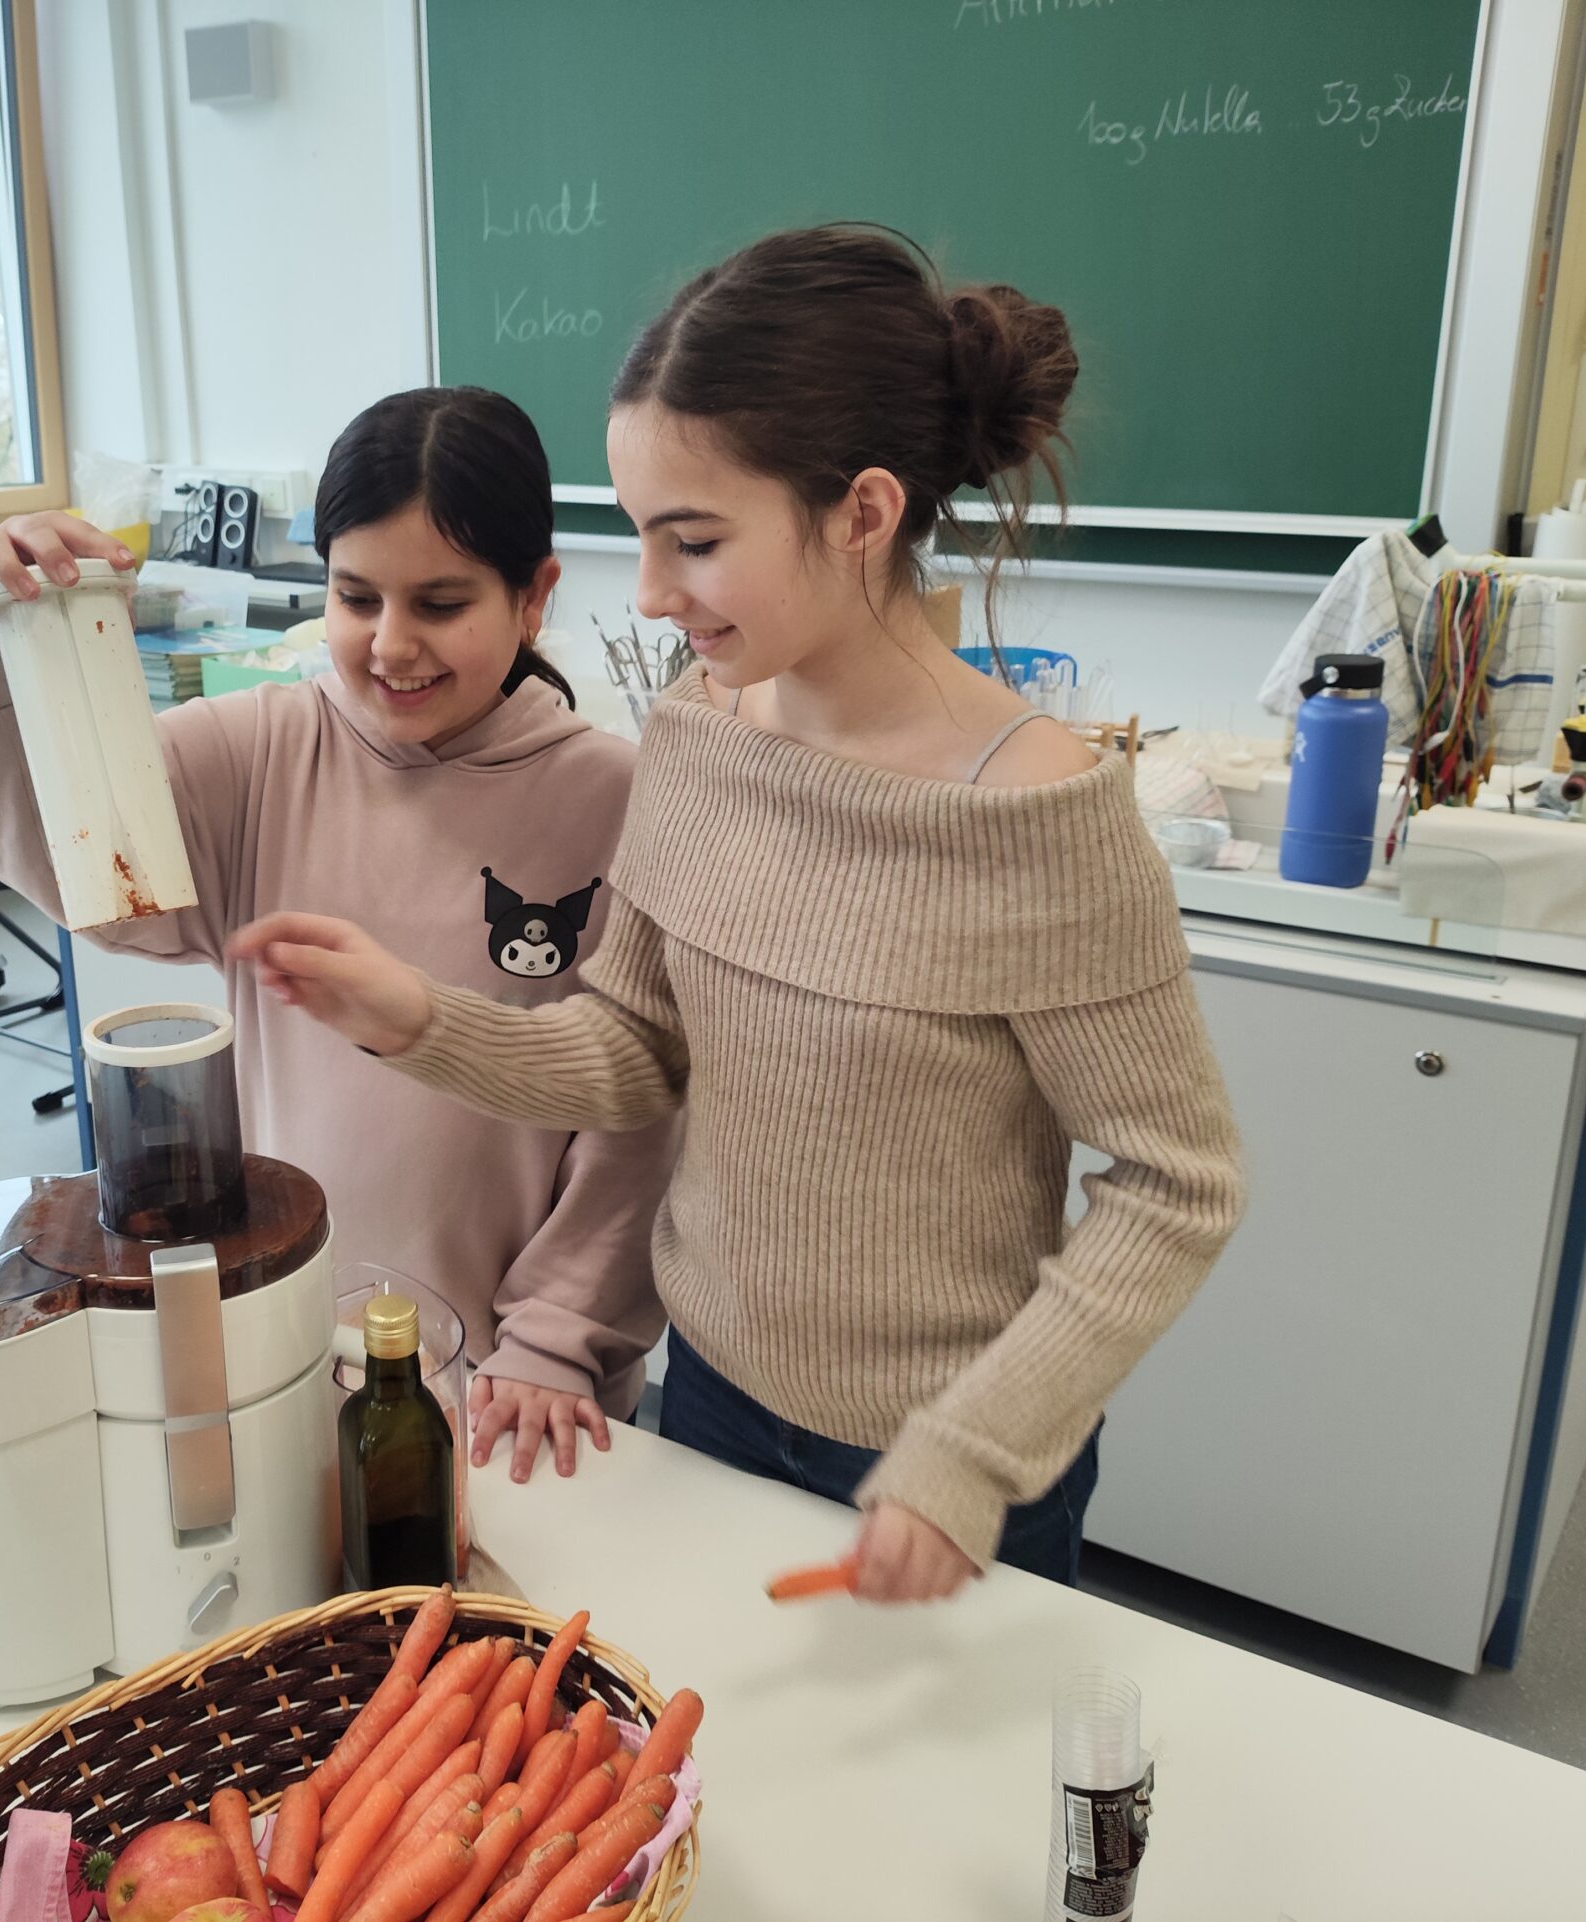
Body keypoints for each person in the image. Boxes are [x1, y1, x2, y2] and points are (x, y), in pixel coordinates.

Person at [232, 227, 1246, 1602]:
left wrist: (975, 1450)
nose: (649, 595)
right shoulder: (699, 736)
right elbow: (633, 1053)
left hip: (942, 1458)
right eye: (641, 537)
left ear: (863, 514)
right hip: (706, 1397)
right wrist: (422, 1021)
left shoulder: (1040, 816)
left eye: (694, 542)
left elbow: (1178, 1185)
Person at [0, 387, 677, 1478]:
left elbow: (641, 1113)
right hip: (287, 1344)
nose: (392, 643)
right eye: (356, 596)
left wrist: (560, 1336)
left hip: (521, 1383)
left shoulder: (619, 796)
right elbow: (59, 834)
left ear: (534, 594)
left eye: (442, 603)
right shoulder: (258, 751)